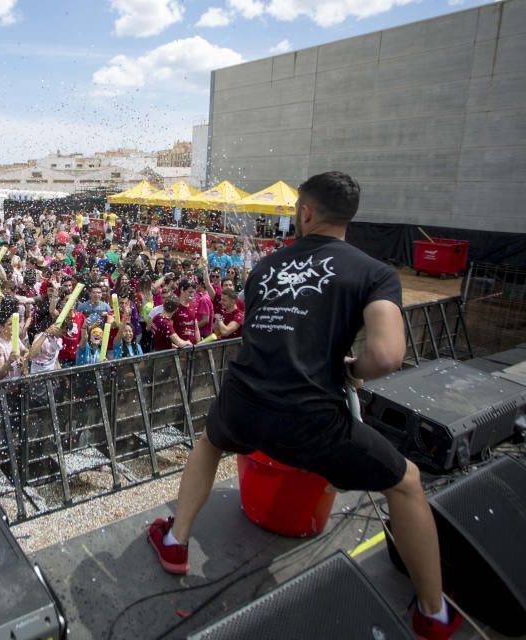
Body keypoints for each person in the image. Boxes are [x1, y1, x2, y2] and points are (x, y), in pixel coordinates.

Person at [146, 172, 460, 638]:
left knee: (210, 442)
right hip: (312, 417)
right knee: (408, 483)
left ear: (305, 212)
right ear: (350, 216)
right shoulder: (372, 272)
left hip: (245, 400)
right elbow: (390, 354)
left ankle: (176, 540)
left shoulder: (265, 269)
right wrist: (353, 370)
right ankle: (432, 613)